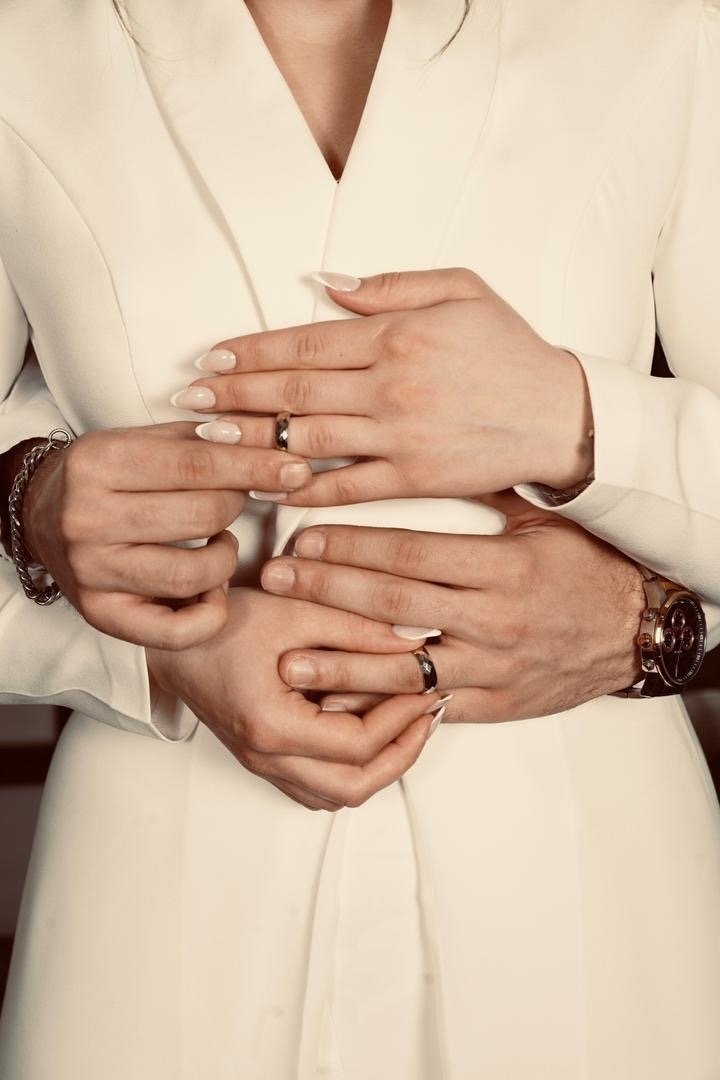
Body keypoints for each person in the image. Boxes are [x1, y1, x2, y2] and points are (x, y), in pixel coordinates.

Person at [0, 1, 719, 1077]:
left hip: (585, 886)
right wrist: (98, 590)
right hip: (163, 906)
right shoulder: (25, 37)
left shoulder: (667, 23)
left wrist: (580, 428)